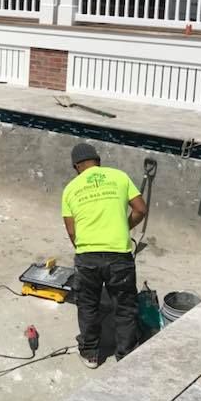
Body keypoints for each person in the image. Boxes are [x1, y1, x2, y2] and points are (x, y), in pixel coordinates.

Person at [61, 143, 148, 369]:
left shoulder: (70, 188)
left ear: (75, 167)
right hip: (119, 253)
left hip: (87, 256)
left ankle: (90, 353)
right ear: (98, 161)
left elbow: (72, 232)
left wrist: (83, 250)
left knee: (88, 304)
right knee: (125, 305)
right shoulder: (119, 176)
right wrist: (124, 227)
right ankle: (126, 354)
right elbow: (140, 209)